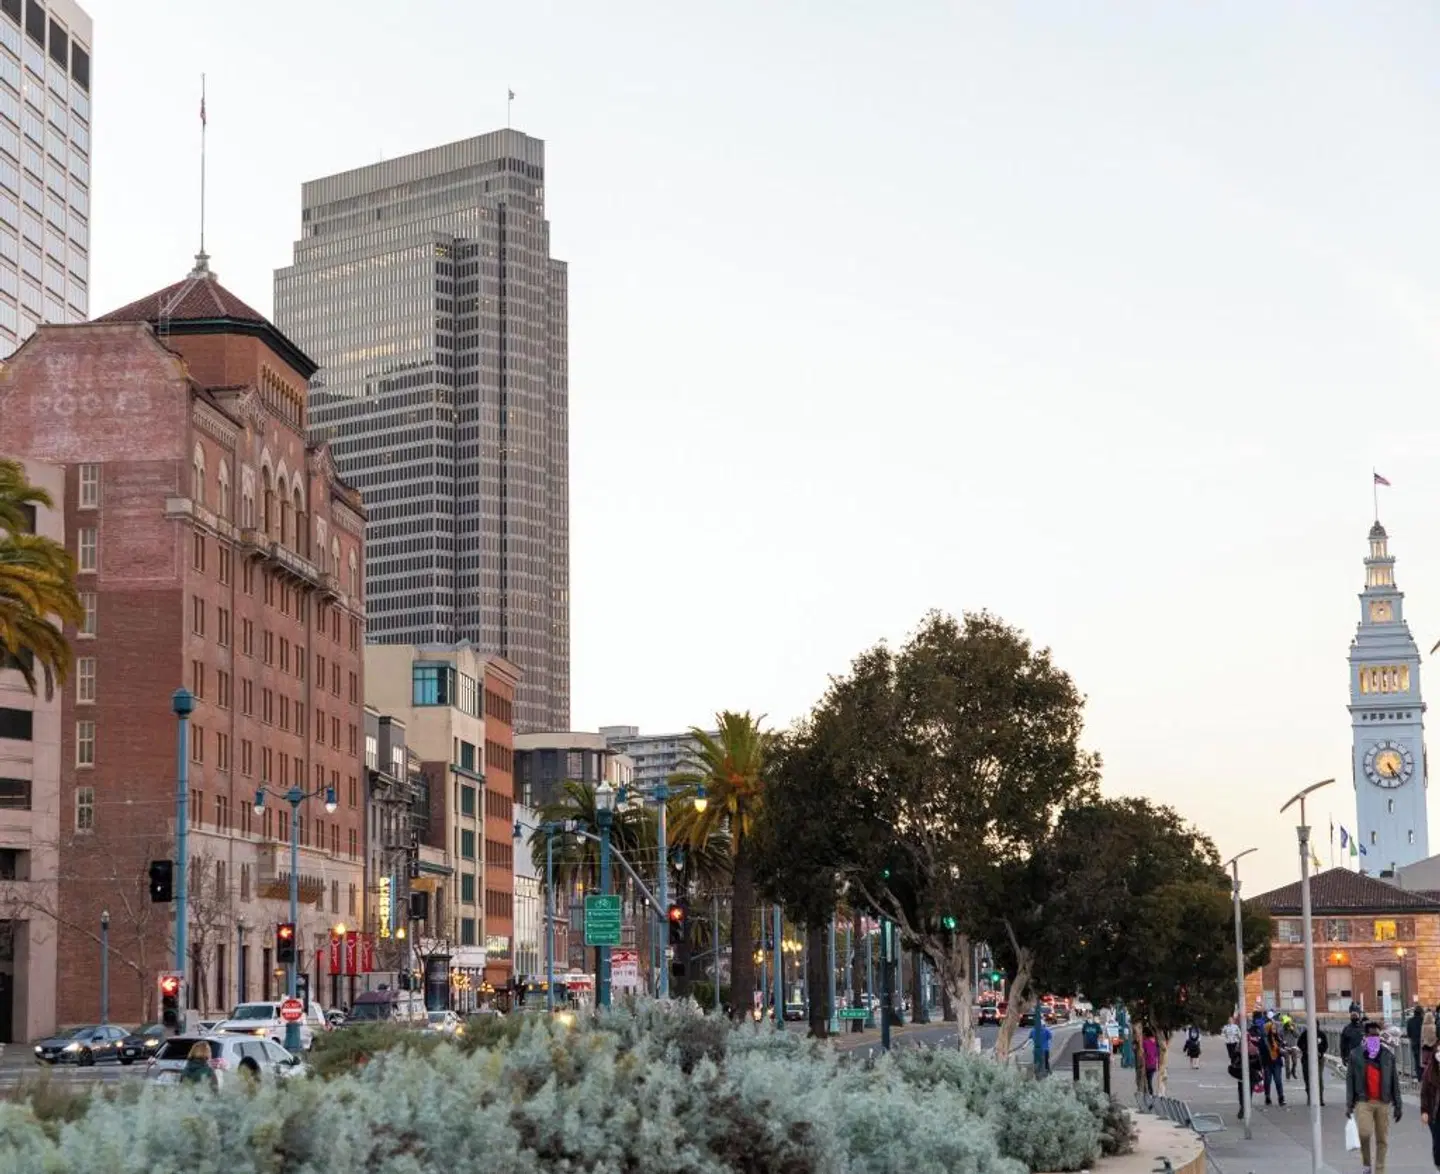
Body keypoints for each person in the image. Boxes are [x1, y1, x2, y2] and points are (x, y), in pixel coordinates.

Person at [1347, 1020, 1402, 1174]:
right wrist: (1349, 1104)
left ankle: (1379, 1170)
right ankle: (1366, 1164)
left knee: (1382, 1139)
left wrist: (1398, 1105)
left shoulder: (1387, 1056)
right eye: (1371, 1036)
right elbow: (1350, 1080)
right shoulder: (1356, 1054)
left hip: (1383, 1101)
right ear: (1366, 1037)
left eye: (1376, 1036)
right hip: (1363, 1101)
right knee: (1364, 1133)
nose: (1374, 1039)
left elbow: (1394, 1081)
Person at [1297, 1022, 1328, 1106]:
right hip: (1307, 1059)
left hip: (1319, 1059)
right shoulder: (1305, 1034)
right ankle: (1310, 1097)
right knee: (1308, 1079)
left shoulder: (1321, 1034)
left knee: (1318, 1078)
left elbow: (1325, 1045)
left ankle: (1320, 1098)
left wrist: (1320, 1051)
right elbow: (1299, 1044)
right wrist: (1306, 1050)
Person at [1420, 1043, 1440, 1169]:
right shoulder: (1429, 1071)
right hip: (1435, 1113)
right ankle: (1438, 1164)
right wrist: (1424, 1111)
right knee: (1438, 1142)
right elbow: (1424, 1093)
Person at [1262, 1016, 1287, 1107]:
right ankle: (1267, 1097)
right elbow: (1261, 1052)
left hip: (1277, 1063)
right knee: (1267, 1081)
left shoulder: (1278, 1038)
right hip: (1267, 1063)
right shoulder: (1264, 1040)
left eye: (1275, 1028)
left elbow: (1282, 1049)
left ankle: (1281, 1098)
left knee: (1278, 1080)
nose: (1274, 1030)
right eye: (1272, 1028)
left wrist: (1283, 1049)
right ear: (1268, 1029)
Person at [1142, 1026, 1159, 1098]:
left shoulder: (1145, 1042)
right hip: (1153, 1064)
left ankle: (1149, 1094)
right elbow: (1157, 1053)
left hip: (1147, 1064)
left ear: (1145, 1034)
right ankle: (1150, 1094)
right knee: (1149, 1080)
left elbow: (1143, 1053)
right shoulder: (1155, 1042)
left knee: (1147, 1081)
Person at [1281, 1014, 1299, 1079]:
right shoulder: (1282, 1029)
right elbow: (1280, 1037)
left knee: (1295, 1061)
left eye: (1289, 1023)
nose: (1288, 1024)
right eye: (1286, 1023)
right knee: (1287, 1062)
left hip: (1293, 1047)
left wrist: (1292, 1030)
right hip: (1286, 1048)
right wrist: (1283, 1042)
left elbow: (1297, 1035)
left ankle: (1293, 1071)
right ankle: (1287, 1075)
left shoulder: (1293, 1027)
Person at [1411, 1004, 1426, 1077]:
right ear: (1421, 1012)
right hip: (1423, 1043)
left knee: (1417, 1060)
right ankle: (1424, 1075)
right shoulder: (1423, 1021)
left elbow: (1409, 1033)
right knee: (1424, 1060)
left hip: (1414, 1043)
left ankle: (1419, 1076)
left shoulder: (1410, 1021)